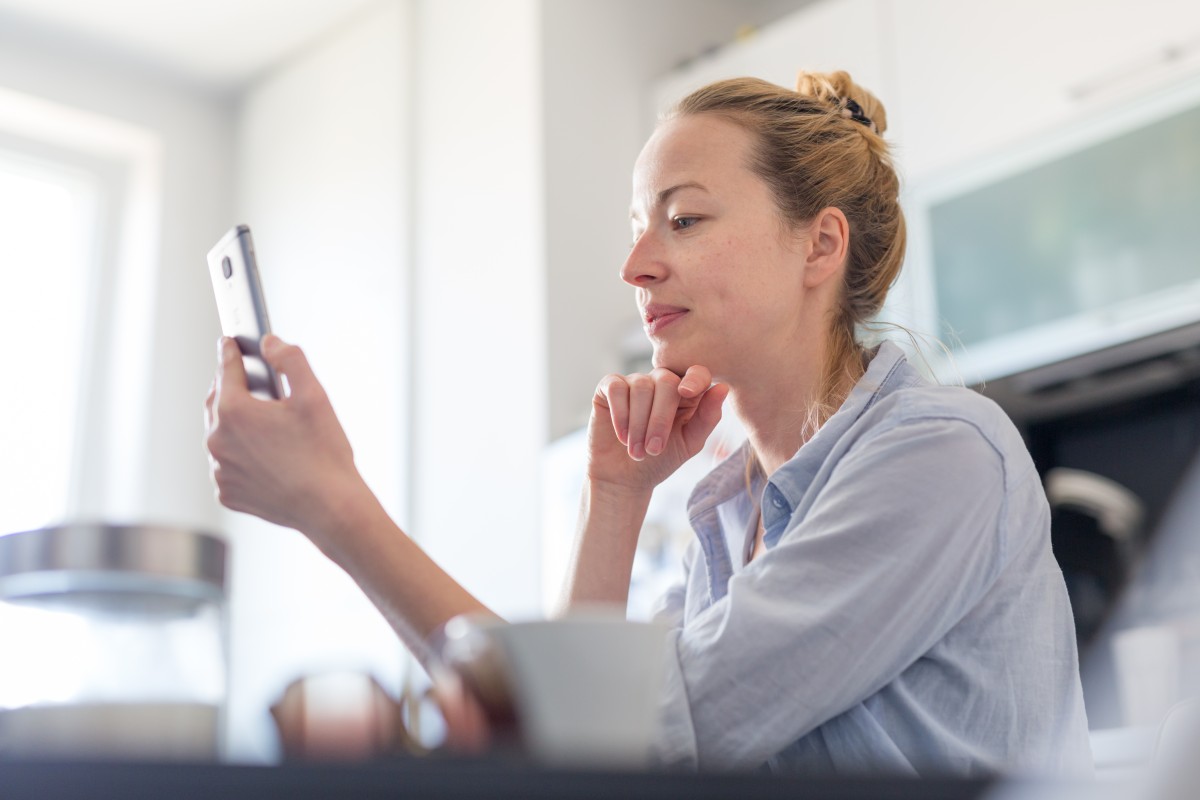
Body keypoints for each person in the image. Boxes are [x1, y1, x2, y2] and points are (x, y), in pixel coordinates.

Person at [205, 69, 1093, 777]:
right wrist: (614, 496)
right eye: (638, 227)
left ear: (820, 245)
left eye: (684, 219)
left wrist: (337, 510)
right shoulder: (728, 517)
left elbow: (635, 731)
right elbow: (570, 750)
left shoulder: (941, 454)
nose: (636, 265)